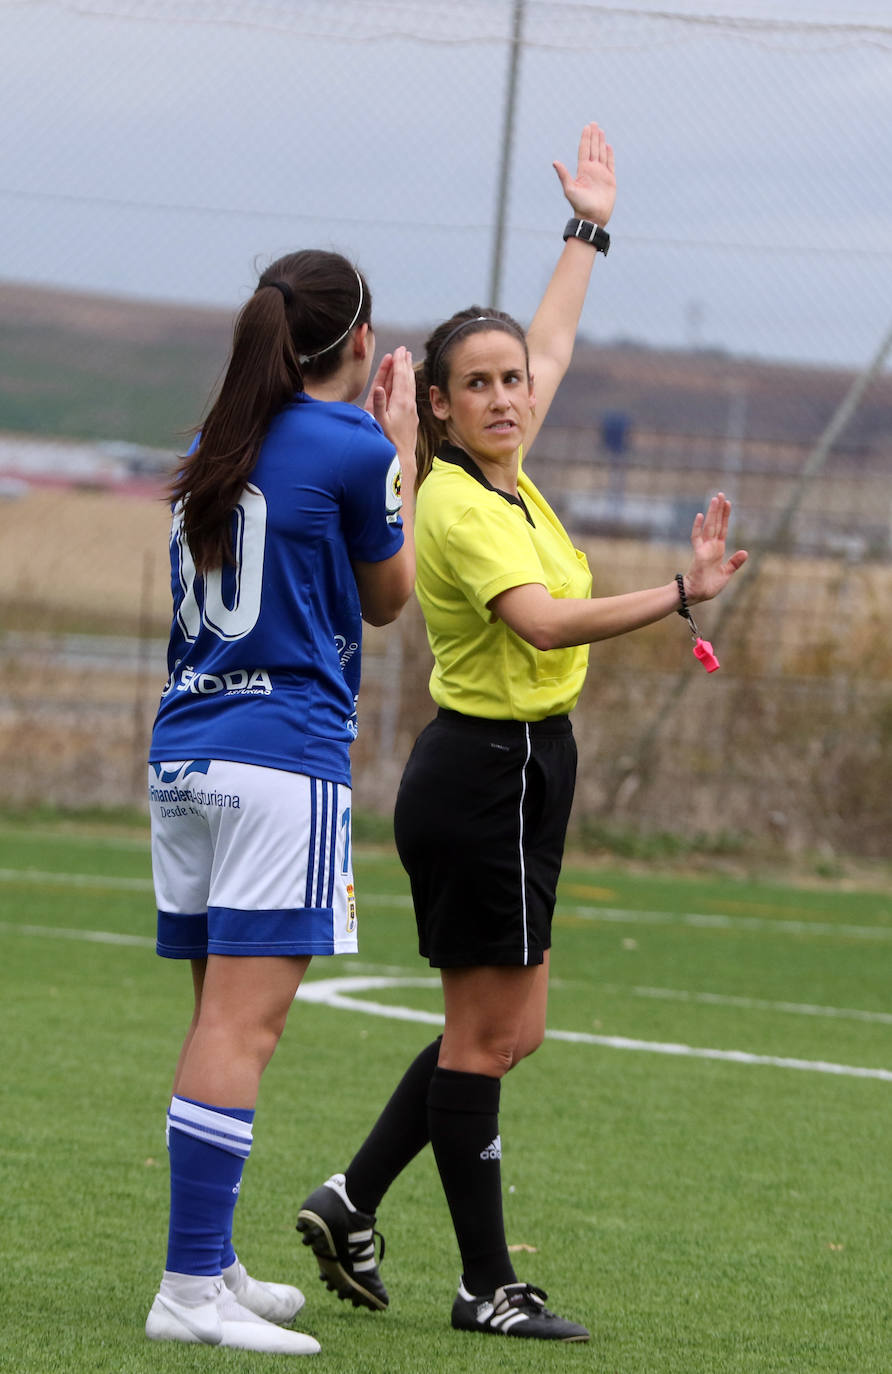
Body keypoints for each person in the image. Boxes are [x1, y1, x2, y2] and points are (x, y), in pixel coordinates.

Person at [295, 124, 747, 1343]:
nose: (507, 394)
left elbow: (547, 341)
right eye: (478, 385)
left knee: (504, 1031)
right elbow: (543, 626)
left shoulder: (507, 470)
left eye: (513, 383)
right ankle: (484, 1285)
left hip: (532, 769)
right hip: (482, 772)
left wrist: (587, 226)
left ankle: (349, 1197)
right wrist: (677, 595)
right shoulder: (453, 501)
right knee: (489, 1039)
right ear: (433, 409)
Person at [145, 248, 418, 1355]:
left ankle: (207, 1262)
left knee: (216, 1015)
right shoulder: (353, 442)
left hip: (187, 751)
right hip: (279, 761)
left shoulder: (222, 439)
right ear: (359, 343)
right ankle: (185, 1290)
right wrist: (399, 448)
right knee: (241, 1029)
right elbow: (390, 600)